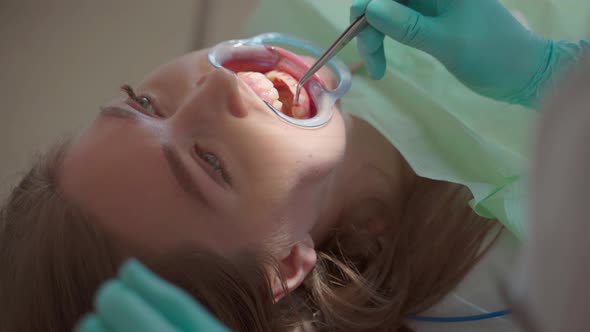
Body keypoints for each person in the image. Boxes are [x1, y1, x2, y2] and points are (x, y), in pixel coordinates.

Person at [1, 1, 588, 332]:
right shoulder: (503, 287)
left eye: (144, 104)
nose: (218, 86)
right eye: (209, 163)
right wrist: (551, 75)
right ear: (285, 264)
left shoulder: (311, 14)